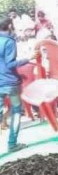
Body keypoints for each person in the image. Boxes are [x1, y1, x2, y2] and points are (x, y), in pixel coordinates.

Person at [0, 17, 36, 153]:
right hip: (10, 83)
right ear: (9, 26)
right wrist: (29, 58)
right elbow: (10, 64)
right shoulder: (9, 42)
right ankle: (12, 144)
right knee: (16, 112)